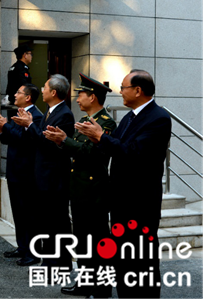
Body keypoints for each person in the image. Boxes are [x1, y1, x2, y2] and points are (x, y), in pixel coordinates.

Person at [75, 70, 171, 298]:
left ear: (138, 90)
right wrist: (95, 139)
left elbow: (135, 153)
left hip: (140, 204)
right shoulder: (129, 117)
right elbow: (113, 146)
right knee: (124, 262)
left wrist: (100, 137)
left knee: (141, 261)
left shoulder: (158, 118)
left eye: (124, 87)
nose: (120, 92)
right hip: (120, 202)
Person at [44, 73, 116, 298]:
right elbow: (77, 151)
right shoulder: (85, 121)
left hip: (93, 191)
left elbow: (92, 154)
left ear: (92, 97)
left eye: (81, 94)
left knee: (98, 242)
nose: (77, 99)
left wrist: (65, 140)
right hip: (79, 188)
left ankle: (102, 287)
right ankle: (85, 283)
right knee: (84, 242)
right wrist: (62, 140)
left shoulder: (106, 123)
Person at [12, 74, 75, 269]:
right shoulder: (50, 111)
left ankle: (60, 264)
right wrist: (29, 126)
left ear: (53, 92)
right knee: (48, 223)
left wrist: (29, 125)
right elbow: (38, 139)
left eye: (45, 87)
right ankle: (50, 261)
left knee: (57, 223)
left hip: (54, 179)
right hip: (43, 178)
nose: (42, 90)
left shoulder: (64, 114)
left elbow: (46, 143)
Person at [0, 84, 43, 265]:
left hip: (26, 173)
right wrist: (1, 128)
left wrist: (7, 126)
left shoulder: (35, 116)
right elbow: (8, 138)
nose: (15, 94)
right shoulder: (18, 112)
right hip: (14, 170)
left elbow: (25, 140)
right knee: (18, 213)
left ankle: (33, 252)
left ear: (28, 97)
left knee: (29, 215)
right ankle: (22, 247)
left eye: (18, 92)